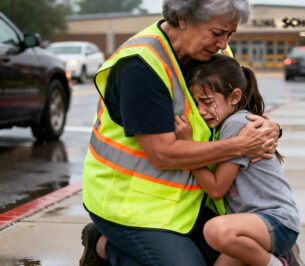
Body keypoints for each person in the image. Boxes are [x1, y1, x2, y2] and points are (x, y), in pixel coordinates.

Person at [79, 1, 282, 266]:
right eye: (217, 33)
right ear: (184, 19)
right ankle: (103, 246)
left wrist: (272, 128)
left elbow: (236, 109)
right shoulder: (140, 67)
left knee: (247, 255)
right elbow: (163, 153)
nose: (223, 44)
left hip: (188, 203)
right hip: (129, 207)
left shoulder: (212, 53)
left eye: (229, 35)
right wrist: (240, 145)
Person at [174, 54, 301, 266]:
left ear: (234, 97)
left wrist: (188, 145)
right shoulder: (227, 123)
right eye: (196, 103)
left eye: (207, 102)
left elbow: (216, 189)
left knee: (215, 230)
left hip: (275, 222)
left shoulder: (236, 123)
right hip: (253, 228)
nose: (201, 111)